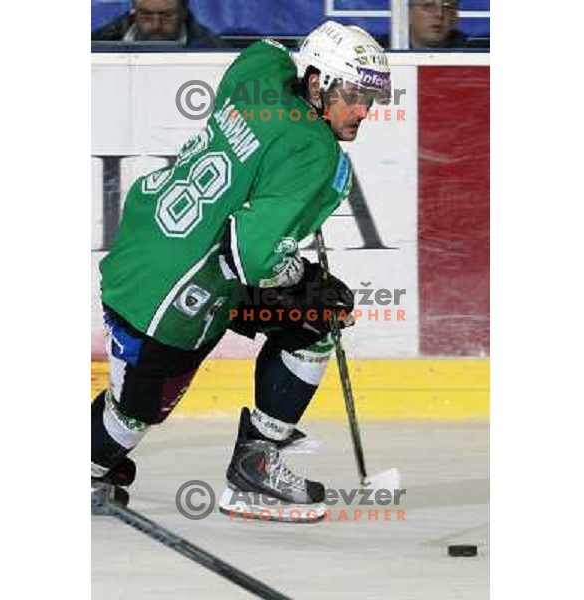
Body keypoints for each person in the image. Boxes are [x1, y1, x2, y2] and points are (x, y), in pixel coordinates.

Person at [91, 21, 391, 522]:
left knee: (311, 325)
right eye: (353, 93)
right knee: (135, 412)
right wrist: (296, 276)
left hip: (146, 250)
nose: (362, 110)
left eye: (371, 97)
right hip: (177, 294)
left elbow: (268, 46)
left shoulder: (261, 74)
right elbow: (252, 258)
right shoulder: (315, 152)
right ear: (316, 82)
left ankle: (257, 464)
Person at [91, 0, 225, 48]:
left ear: (183, 11)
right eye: (146, 14)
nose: (156, 25)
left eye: (167, 15)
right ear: (133, 8)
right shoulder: (99, 44)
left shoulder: (214, 50)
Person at [409, 0, 488, 49]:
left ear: (454, 16)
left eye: (447, 7)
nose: (439, 14)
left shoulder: (479, 55)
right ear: (407, 13)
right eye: (428, 6)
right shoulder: (396, 57)